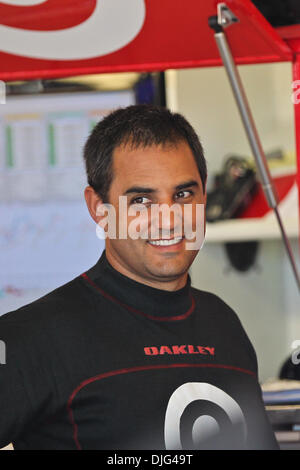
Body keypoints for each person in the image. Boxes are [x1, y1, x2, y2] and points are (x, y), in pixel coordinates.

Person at [0, 104, 278, 450]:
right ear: (99, 209)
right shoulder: (32, 336)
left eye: (183, 194)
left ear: (204, 197)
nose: (168, 219)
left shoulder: (223, 323)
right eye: (142, 200)